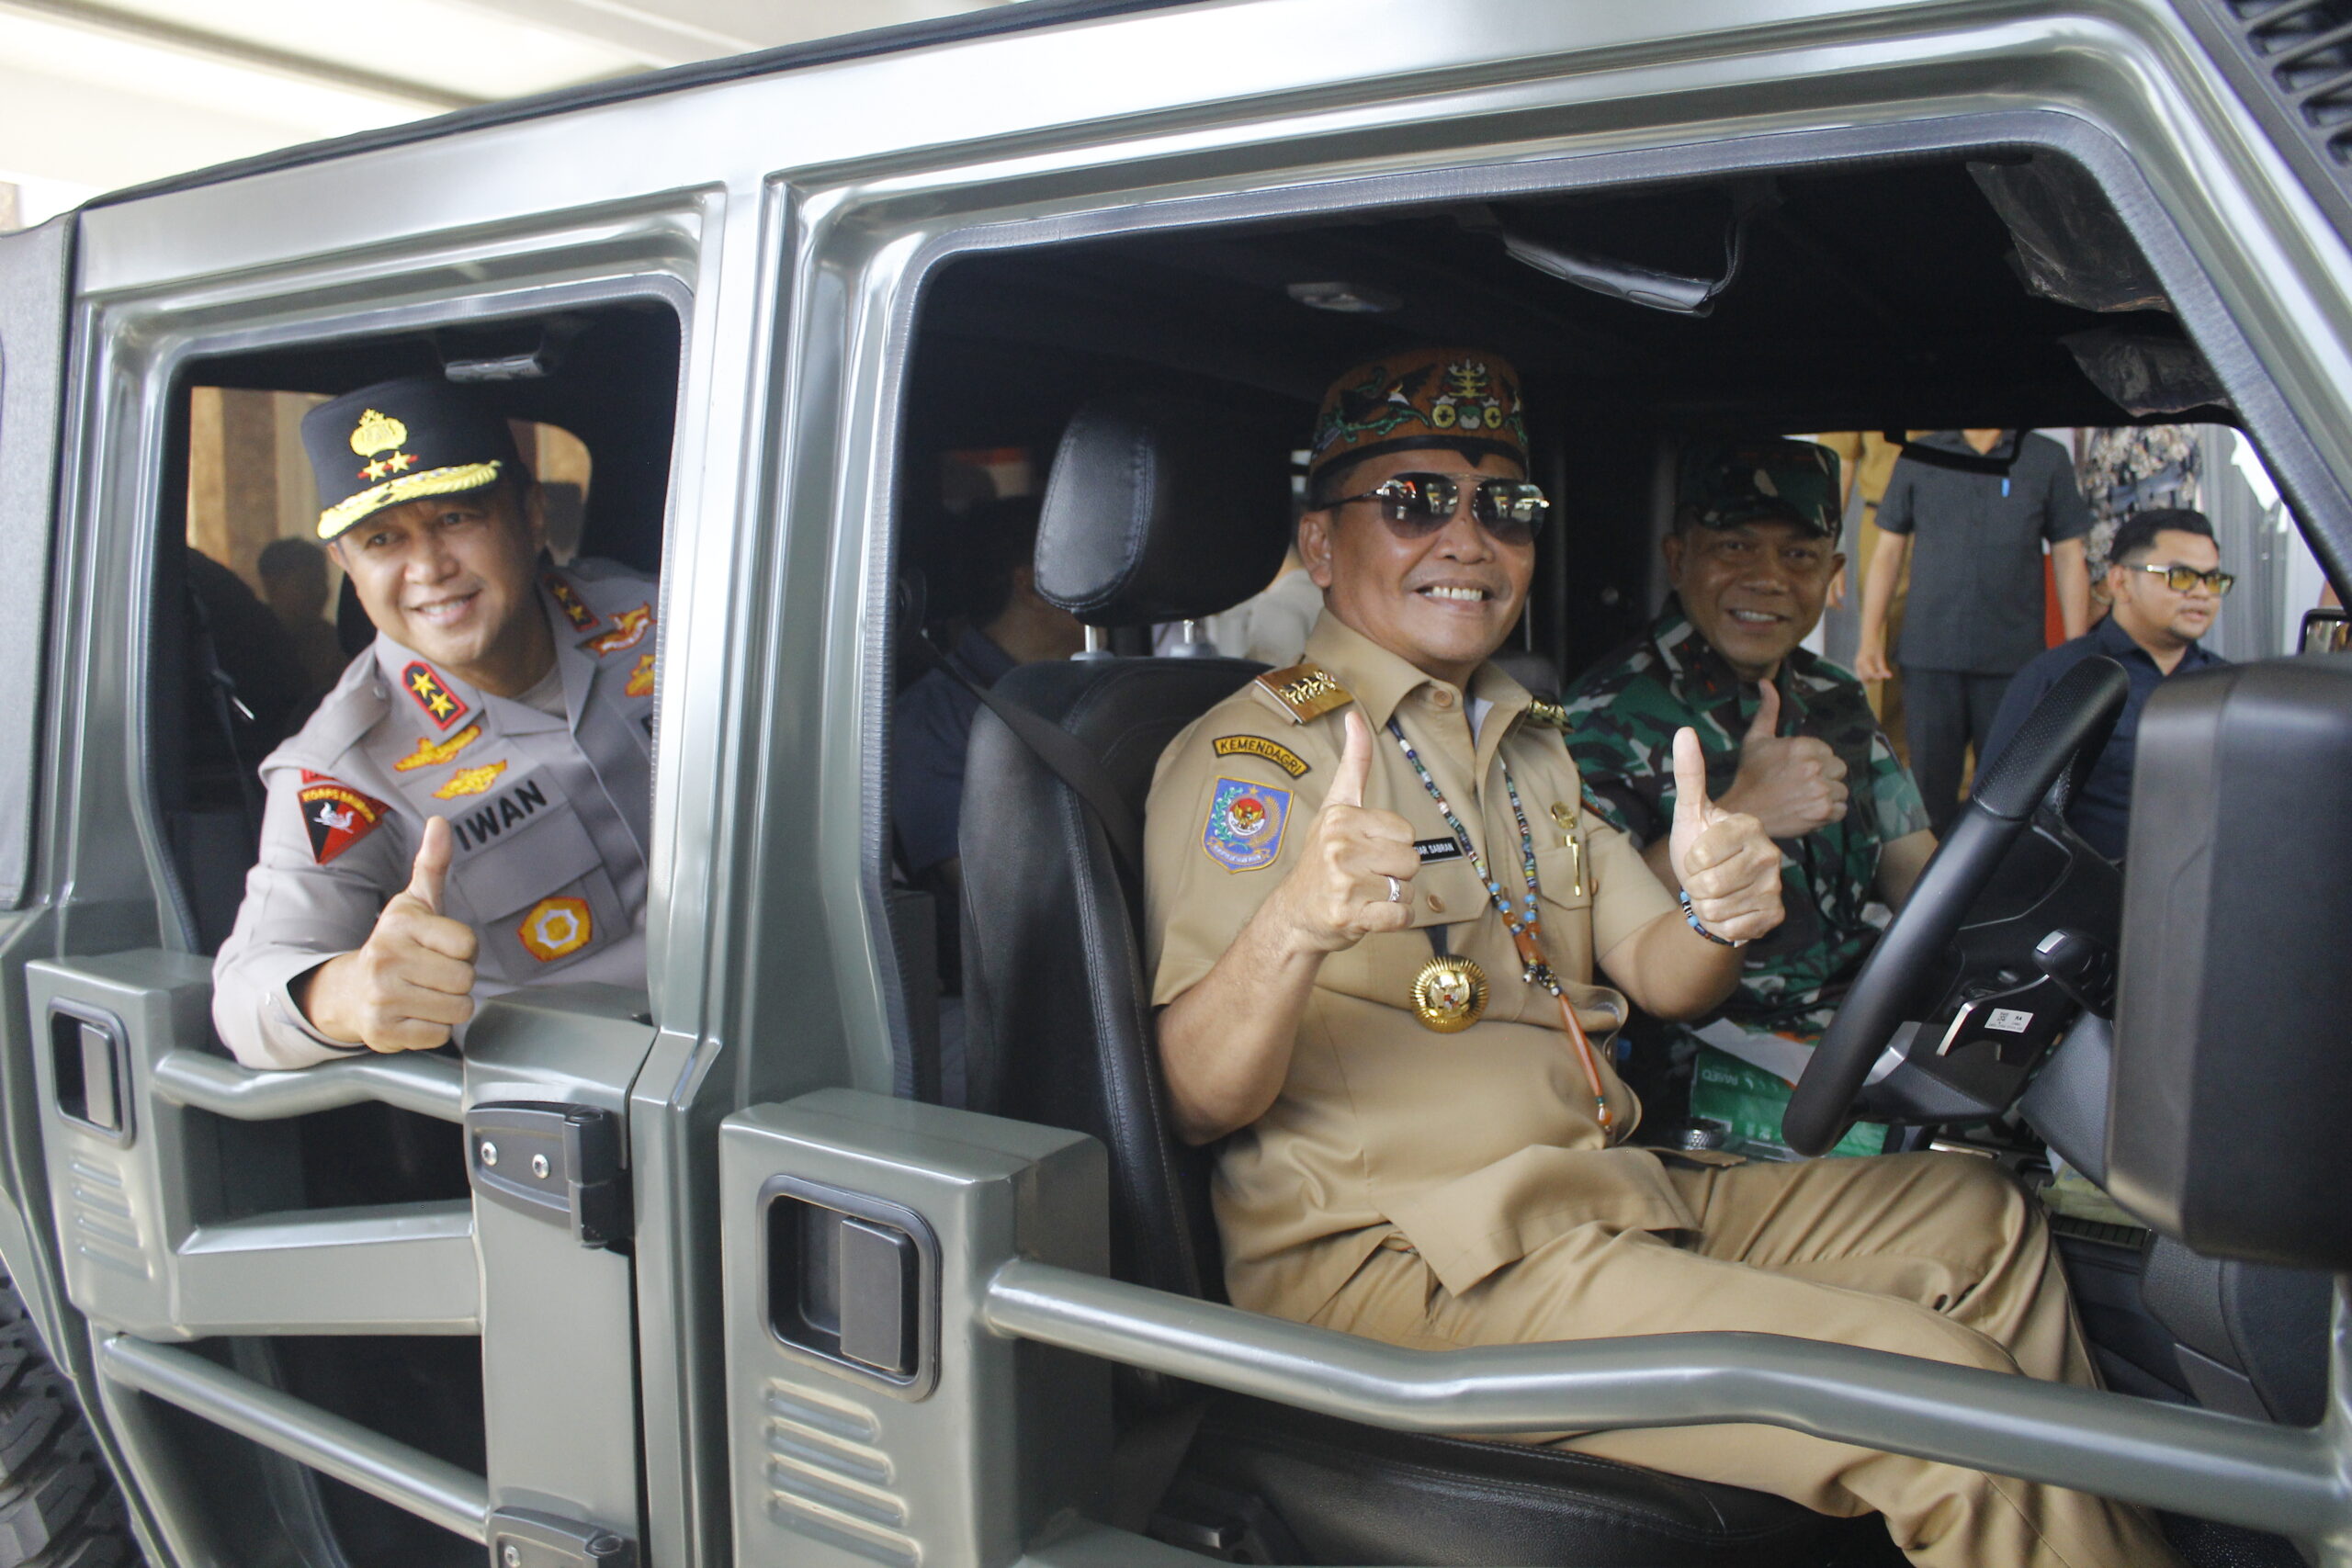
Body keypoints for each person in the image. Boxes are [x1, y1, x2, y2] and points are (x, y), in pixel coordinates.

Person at [1143, 350, 2174, 1568]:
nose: (1469, 540)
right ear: (1321, 546)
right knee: (1934, 1389)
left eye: (1505, 508)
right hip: (1399, 1258)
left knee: (1982, 1218)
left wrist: (1721, 903)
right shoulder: (1256, 757)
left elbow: (1665, 972)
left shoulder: (1529, 743)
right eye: (1418, 501)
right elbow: (1200, 1095)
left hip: (1589, 1196)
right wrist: (1295, 923)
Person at [212, 376, 659, 1070]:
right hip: (604, 1112)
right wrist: (352, 993)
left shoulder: (652, 619)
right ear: (345, 565)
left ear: (532, 513)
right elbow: (246, 992)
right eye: (383, 538)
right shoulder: (345, 765)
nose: (429, 568)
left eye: (456, 518)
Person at [1563, 439, 1935, 1087]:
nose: (1768, 577)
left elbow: (1920, 876)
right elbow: (1572, 925)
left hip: (1858, 1029)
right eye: (1735, 547)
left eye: (1798, 554)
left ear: (1833, 571)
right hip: (1698, 1058)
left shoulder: (1835, 698)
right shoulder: (1604, 712)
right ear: (1678, 559)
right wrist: (1744, 808)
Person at [1855, 429, 2093, 833]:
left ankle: (2003, 890)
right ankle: (1932, 888)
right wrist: (1868, 637)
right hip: (1930, 652)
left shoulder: (2045, 458)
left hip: (2014, 658)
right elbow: (1888, 551)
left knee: (2011, 790)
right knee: (1929, 789)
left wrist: (2077, 650)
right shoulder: (1920, 455)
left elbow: (2070, 556)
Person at [1982, 507, 2230, 861]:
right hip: (2084, 898)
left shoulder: (2229, 687)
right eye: (2182, 577)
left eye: (2214, 580)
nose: (2203, 593)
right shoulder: (2062, 677)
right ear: (2120, 581)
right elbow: (1998, 816)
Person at [892, 496, 1084, 892]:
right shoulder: (930, 722)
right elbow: (988, 897)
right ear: (1031, 584)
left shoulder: (1096, 687)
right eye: (1088, 560)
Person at [257, 536, 352, 701]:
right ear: (273, 585)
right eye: (308, 583)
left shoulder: (335, 644)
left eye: (322, 582)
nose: (319, 592)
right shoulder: (253, 642)